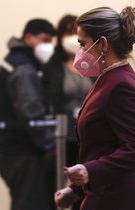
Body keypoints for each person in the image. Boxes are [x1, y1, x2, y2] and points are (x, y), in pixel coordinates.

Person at [54, 6, 135, 210]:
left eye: (83, 44)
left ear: (103, 44)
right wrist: (76, 190)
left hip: (120, 198)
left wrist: (88, 171)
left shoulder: (121, 84)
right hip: (106, 192)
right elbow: (104, 145)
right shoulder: (107, 78)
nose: (79, 51)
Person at [0, 18, 56, 210]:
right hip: (24, 151)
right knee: (31, 204)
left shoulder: (18, 60)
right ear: (28, 37)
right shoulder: (23, 66)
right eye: (44, 39)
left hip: (15, 151)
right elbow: (30, 110)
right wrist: (49, 144)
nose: (48, 46)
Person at [43, 14, 94, 210]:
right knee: (55, 185)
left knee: (84, 186)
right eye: (67, 33)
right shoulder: (54, 66)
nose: (71, 38)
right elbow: (48, 99)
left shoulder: (91, 63)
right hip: (62, 136)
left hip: (86, 134)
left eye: (75, 33)